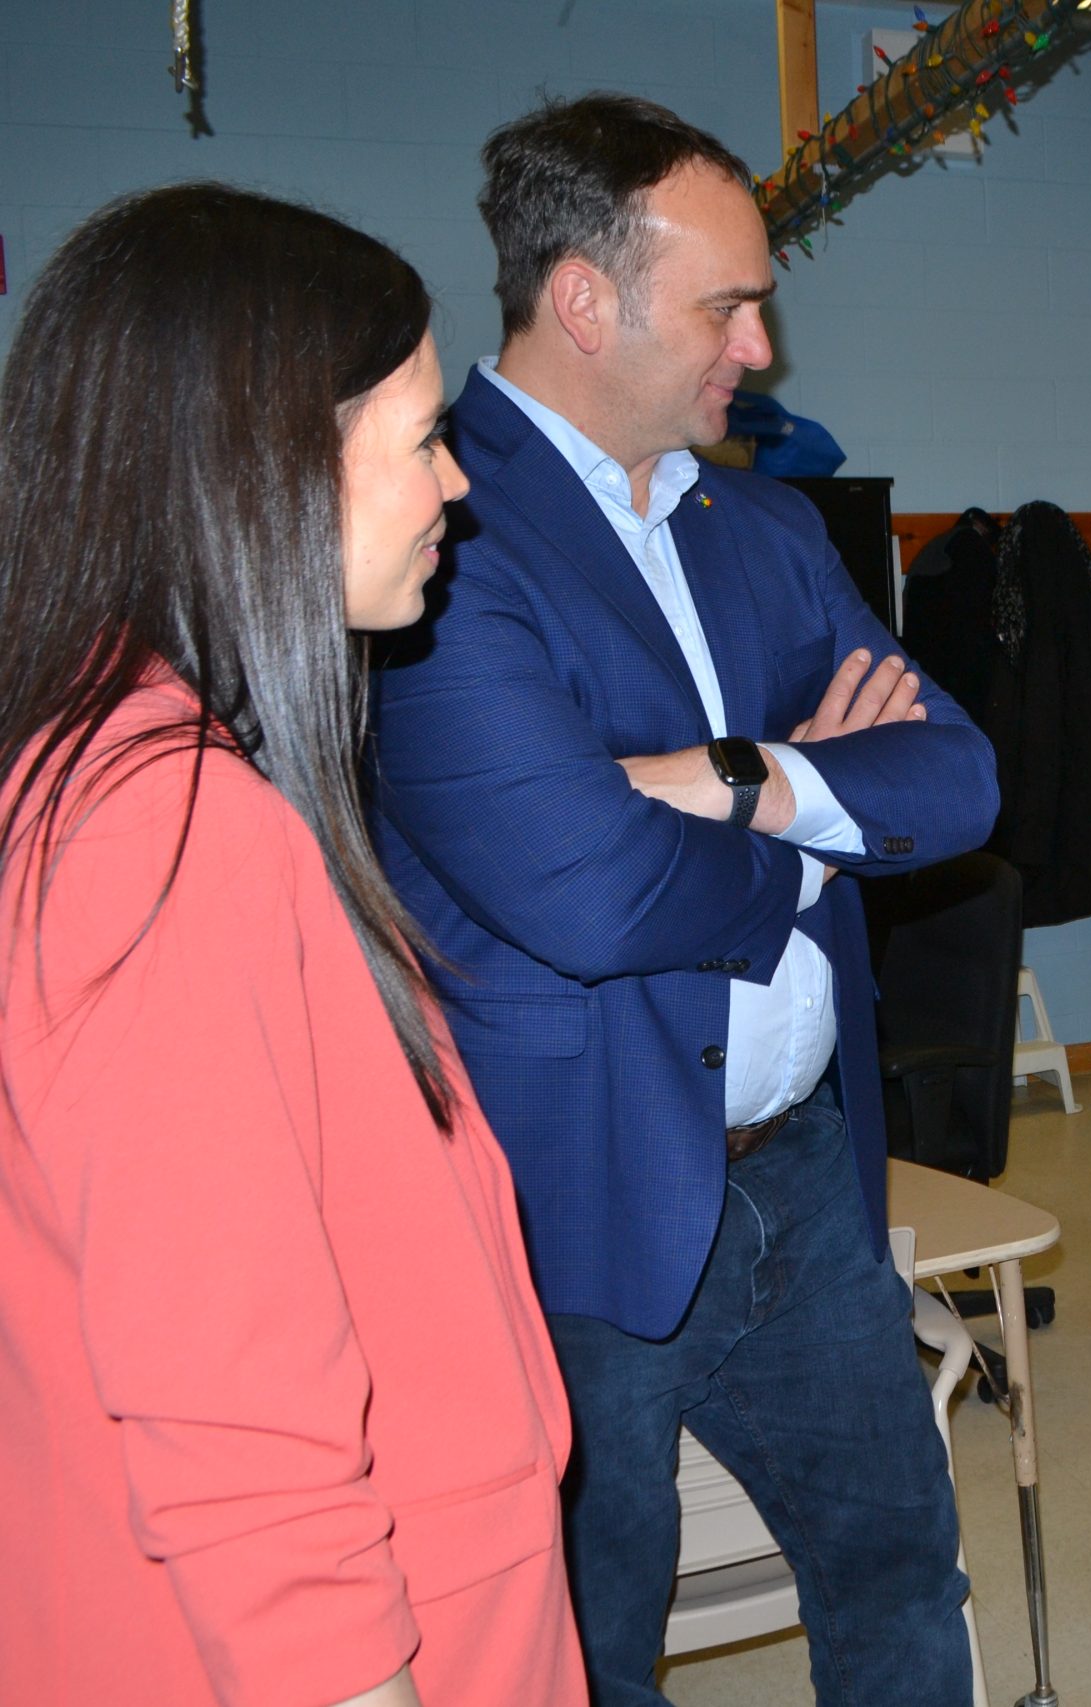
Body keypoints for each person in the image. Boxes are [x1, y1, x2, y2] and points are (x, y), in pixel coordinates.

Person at [368, 95, 996, 1706]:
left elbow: (961, 779)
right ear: (586, 297)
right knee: (588, 1649)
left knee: (901, 1576)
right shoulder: (440, 533)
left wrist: (717, 775)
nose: (763, 346)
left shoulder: (765, 526)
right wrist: (815, 803)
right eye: (729, 302)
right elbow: (584, 885)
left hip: (805, 1181)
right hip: (575, 1211)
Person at [0, 185, 582, 1707]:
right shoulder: (161, 827)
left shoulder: (103, 765)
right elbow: (235, 1411)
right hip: (363, 1641)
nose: (455, 487)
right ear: (263, 469)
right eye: (419, 439)